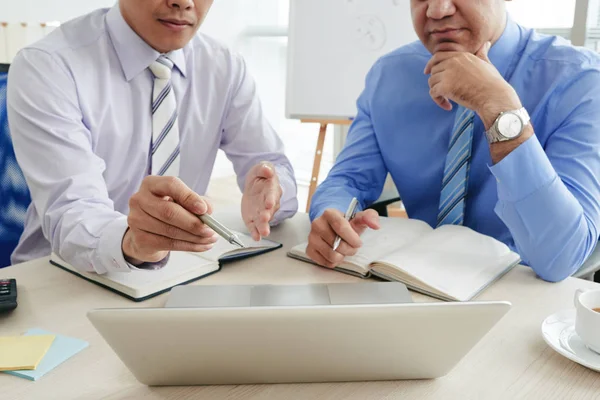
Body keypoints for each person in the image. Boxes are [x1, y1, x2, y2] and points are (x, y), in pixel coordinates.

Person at [306, 0, 600, 282]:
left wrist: (499, 109)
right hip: (417, 285)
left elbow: (561, 258)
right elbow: (346, 180)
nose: (436, 9)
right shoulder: (389, 75)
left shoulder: (581, 80)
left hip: (527, 296)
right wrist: (333, 215)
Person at [7, 0, 298, 273]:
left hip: (180, 270)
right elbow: (72, 209)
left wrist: (272, 194)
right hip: (64, 276)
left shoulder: (225, 67)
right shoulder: (49, 65)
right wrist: (132, 241)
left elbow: (270, 164)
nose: (184, 2)